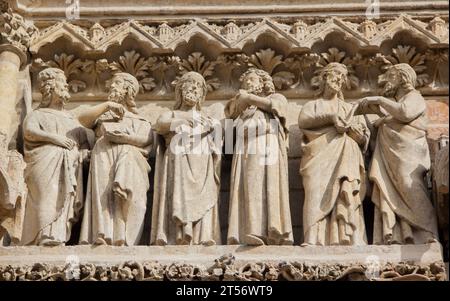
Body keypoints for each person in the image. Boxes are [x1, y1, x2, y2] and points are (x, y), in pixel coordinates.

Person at [21, 67, 124, 246]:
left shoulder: (71, 118)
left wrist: (84, 152)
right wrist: (55, 138)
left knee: (66, 199)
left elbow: (83, 138)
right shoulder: (38, 114)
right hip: (45, 160)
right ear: (50, 88)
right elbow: (29, 132)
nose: (66, 85)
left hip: (70, 164)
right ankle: (43, 235)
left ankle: (58, 235)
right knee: (49, 195)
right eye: (62, 83)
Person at [359, 63, 439, 244]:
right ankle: (399, 234)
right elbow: (391, 121)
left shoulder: (415, 97)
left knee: (409, 185)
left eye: (391, 76)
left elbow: (405, 113)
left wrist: (379, 100)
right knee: (389, 188)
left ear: (403, 78)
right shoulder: (393, 106)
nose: (386, 80)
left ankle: (428, 231)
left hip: (408, 154)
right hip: (390, 156)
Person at [298, 62, 369, 246]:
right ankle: (313, 238)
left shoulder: (349, 108)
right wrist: (330, 118)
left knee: (346, 193)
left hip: (346, 155)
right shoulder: (313, 105)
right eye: (335, 74)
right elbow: (304, 121)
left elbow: (363, 139)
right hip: (317, 157)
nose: (338, 79)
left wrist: (354, 131)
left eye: (342, 77)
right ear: (324, 78)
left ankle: (349, 237)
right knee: (315, 192)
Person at [79, 72, 153, 246]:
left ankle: (126, 239)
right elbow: (82, 119)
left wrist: (123, 138)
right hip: (103, 155)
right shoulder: (103, 115)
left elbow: (146, 140)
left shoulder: (140, 120)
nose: (112, 86)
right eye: (111, 84)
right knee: (103, 196)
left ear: (128, 90)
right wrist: (107, 105)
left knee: (128, 198)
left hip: (130, 159)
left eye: (117, 83)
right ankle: (103, 235)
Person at [151, 71, 222, 245]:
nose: (194, 88)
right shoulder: (172, 114)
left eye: (198, 86)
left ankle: (202, 236)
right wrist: (184, 120)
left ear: (202, 95)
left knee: (203, 197)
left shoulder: (208, 119)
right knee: (177, 193)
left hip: (202, 163)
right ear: (180, 90)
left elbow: (218, 138)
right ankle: (176, 234)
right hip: (178, 161)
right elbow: (160, 125)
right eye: (190, 83)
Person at [226, 68, 293, 246]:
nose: (248, 84)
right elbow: (229, 121)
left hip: (267, 145)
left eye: (252, 79)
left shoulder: (275, 98)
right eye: (245, 82)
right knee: (251, 186)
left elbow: (277, 107)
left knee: (270, 186)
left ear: (264, 83)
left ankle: (273, 230)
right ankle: (252, 230)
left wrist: (248, 98)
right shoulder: (244, 110)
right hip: (248, 147)